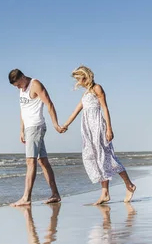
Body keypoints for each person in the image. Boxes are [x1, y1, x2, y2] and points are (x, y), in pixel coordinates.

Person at [61, 65, 136, 205]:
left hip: (98, 128)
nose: (78, 82)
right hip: (88, 130)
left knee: (108, 158)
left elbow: (105, 108)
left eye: (79, 79)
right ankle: (105, 193)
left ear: (85, 77)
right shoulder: (85, 94)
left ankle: (129, 185)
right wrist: (64, 126)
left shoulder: (97, 88)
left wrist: (109, 129)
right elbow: (75, 111)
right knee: (96, 159)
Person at [8, 69, 64, 206]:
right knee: (43, 162)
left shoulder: (35, 84)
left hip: (36, 126)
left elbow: (49, 104)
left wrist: (56, 124)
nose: (18, 87)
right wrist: (21, 130)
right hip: (29, 128)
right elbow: (23, 110)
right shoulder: (21, 89)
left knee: (30, 162)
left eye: (18, 84)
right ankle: (55, 194)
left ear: (22, 77)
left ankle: (26, 197)